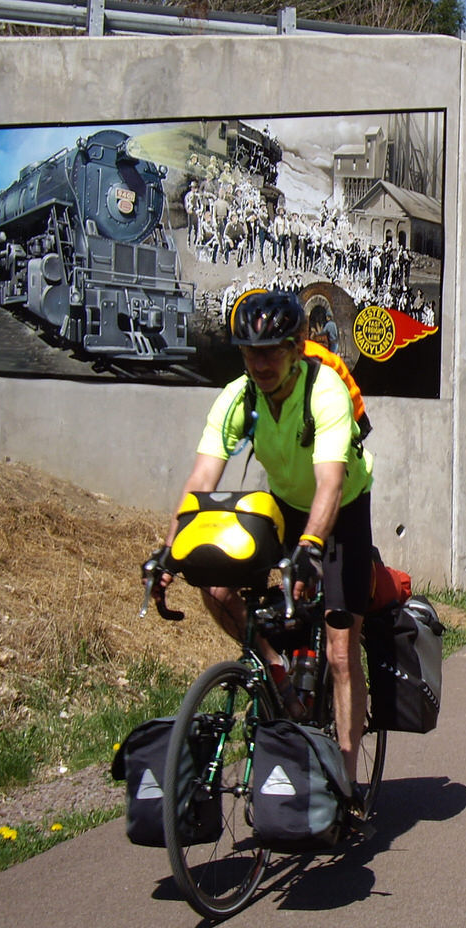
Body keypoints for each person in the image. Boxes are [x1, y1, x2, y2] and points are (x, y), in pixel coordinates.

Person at [151, 289, 374, 787]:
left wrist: (311, 550)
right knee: (216, 585)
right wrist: (171, 553)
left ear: (297, 347)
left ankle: (346, 777)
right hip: (284, 505)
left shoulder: (325, 391)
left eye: (273, 349)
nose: (261, 362)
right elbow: (200, 482)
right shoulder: (239, 396)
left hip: (341, 510)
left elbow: (331, 484)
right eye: (251, 351)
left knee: (340, 650)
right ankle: (277, 673)